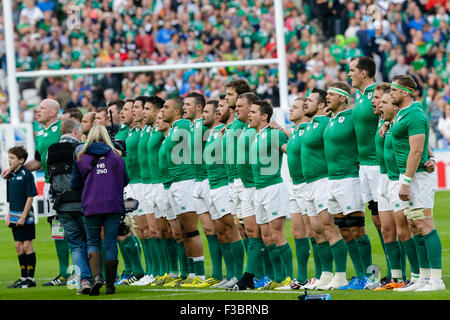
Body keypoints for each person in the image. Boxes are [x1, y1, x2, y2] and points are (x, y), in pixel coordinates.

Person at [2, 99, 71, 287]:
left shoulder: (62, 127)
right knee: (56, 229)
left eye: (41, 108)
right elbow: (38, 162)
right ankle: (64, 272)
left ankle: (82, 270)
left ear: (52, 113)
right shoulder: (40, 133)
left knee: (72, 225)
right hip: (50, 186)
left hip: (66, 184)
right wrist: (17, 168)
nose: (37, 111)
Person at [389, 75, 444, 291]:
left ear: (405, 92)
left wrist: (407, 181)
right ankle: (423, 278)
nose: (390, 93)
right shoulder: (402, 114)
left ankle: (436, 280)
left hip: (417, 176)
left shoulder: (415, 115)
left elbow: (417, 149)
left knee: (424, 224)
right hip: (409, 174)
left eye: (394, 90)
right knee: (413, 226)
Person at [71, 125, 130, 295]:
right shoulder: (116, 157)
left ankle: (97, 277)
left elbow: (74, 184)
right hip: (113, 205)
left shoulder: (81, 157)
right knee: (111, 242)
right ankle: (110, 284)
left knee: (93, 242)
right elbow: (125, 180)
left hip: (91, 204)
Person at [248, 99, 293, 290]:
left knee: (277, 235)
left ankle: (290, 278)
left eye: (253, 112)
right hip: (259, 191)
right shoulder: (256, 135)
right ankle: (277, 277)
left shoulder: (274, 134)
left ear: (264, 116)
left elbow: (291, 151)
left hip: (273, 188)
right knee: (266, 238)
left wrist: (284, 131)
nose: (249, 115)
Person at [161, 97, 206, 286]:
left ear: (177, 111)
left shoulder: (184, 127)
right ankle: (189, 274)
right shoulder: (173, 129)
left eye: (166, 107)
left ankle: (200, 275)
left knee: (191, 230)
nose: (162, 110)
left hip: (186, 181)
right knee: (181, 232)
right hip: (175, 183)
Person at [233, 92, 274, 291]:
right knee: (250, 232)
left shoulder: (259, 131)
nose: (236, 109)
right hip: (246, 187)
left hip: (258, 186)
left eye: (240, 105)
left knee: (267, 234)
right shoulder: (242, 129)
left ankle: (271, 274)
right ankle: (254, 275)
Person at [47, 119, 93, 295]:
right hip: (82, 203)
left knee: (75, 245)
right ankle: (96, 277)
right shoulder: (80, 149)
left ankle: (83, 280)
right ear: (76, 132)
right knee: (90, 241)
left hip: (62, 205)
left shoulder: (50, 151)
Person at [183, 92, 222, 288]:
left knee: (222, 228)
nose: (184, 108)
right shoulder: (190, 126)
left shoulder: (204, 126)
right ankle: (214, 274)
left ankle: (221, 273)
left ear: (199, 108)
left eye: (188, 104)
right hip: (196, 181)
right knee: (207, 229)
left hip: (210, 179)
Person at [275, 96, 316, 290]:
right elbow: (289, 149)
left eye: (296, 107)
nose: (291, 109)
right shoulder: (297, 132)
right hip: (294, 185)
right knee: (297, 232)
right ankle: (301, 278)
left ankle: (320, 275)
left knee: (316, 231)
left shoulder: (309, 130)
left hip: (309, 184)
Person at [348, 56, 378, 284]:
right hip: (364, 166)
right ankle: (384, 275)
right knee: (377, 221)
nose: (349, 74)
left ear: (364, 73)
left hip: (379, 165)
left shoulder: (379, 93)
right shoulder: (358, 98)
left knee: (387, 223)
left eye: (352, 70)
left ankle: (402, 275)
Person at [6, 146, 38, 289]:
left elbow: (30, 197)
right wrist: (9, 216)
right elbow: (10, 200)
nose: (9, 161)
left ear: (21, 160)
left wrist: (23, 216)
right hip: (14, 215)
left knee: (27, 245)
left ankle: (31, 279)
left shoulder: (27, 175)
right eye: (9, 158)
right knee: (18, 246)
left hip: (26, 215)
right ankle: (23, 277)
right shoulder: (10, 176)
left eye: (12, 158)